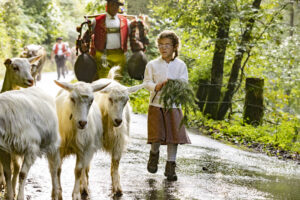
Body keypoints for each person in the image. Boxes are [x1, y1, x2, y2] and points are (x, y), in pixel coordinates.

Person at [143, 30, 191, 181]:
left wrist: (174, 84)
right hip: (156, 104)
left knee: (173, 136)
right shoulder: (152, 65)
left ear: (175, 46)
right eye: (160, 45)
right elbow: (147, 82)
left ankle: (170, 165)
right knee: (156, 135)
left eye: (167, 45)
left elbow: (184, 82)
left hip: (173, 106)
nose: (163, 48)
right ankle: (154, 154)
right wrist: (156, 86)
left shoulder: (180, 65)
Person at [91, 0, 129, 79]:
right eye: (112, 4)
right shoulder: (96, 21)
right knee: (103, 80)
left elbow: (133, 35)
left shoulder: (125, 21)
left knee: (117, 79)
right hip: (102, 55)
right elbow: (87, 36)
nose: (114, 7)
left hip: (119, 55)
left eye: (117, 6)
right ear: (107, 5)